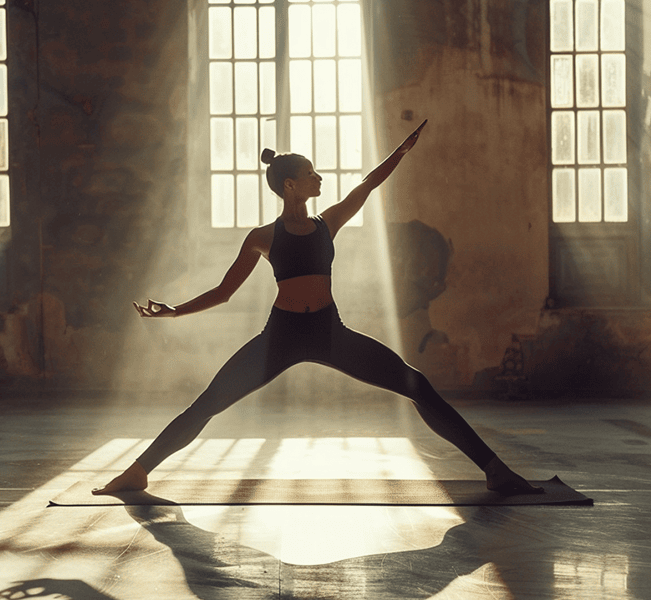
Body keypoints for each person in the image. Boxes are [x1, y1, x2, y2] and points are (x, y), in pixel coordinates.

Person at [95, 120, 541, 496]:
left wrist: (401, 151)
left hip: (330, 333)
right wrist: (173, 311)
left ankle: (495, 471)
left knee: (418, 385)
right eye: (311, 173)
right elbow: (224, 292)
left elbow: (367, 184)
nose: (319, 177)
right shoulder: (262, 237)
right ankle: (138, 473)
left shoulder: (329, 223)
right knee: (210, 401)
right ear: (290, 185)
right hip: (281, 336)